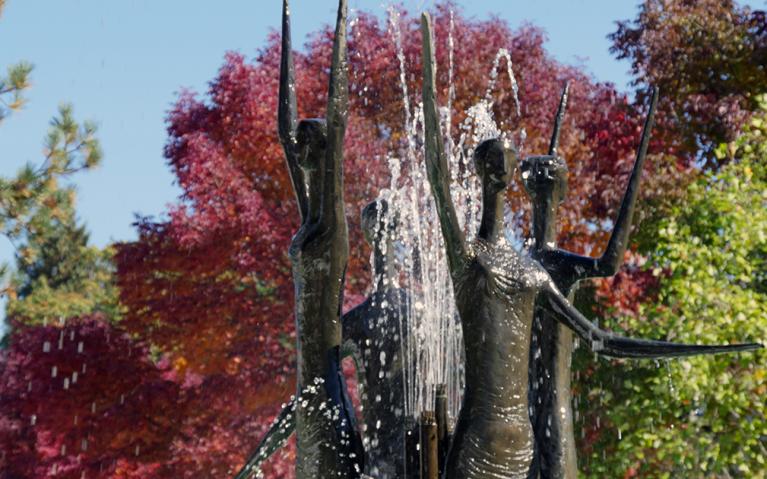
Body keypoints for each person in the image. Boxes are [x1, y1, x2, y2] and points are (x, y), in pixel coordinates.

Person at [419, 13, 761, 479]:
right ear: (483, 173)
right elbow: (439, 181)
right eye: (497, 164)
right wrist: (428, 74)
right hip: (477, 442)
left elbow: (601, 339)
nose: (502, 171)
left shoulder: (532, 273)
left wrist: (704, 348)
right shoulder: (471, 258)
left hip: (517, 449)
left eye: (507, 163)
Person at [235, 199, 410, 479]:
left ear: (367, 238)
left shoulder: (360, 320)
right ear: (398, 231)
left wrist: (254, 463)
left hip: (380, 467)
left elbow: (309, 393)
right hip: (431, 453)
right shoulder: (426, 316)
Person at [275, 0, 362, 477]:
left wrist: (340, 27)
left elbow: (338, 116)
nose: (299, 146)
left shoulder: (330, 228)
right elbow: (283, 130)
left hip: (327, 391)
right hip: (307, 393)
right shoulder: (309, 223)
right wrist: (286, 21)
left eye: (311, 141)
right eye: (302, 142)